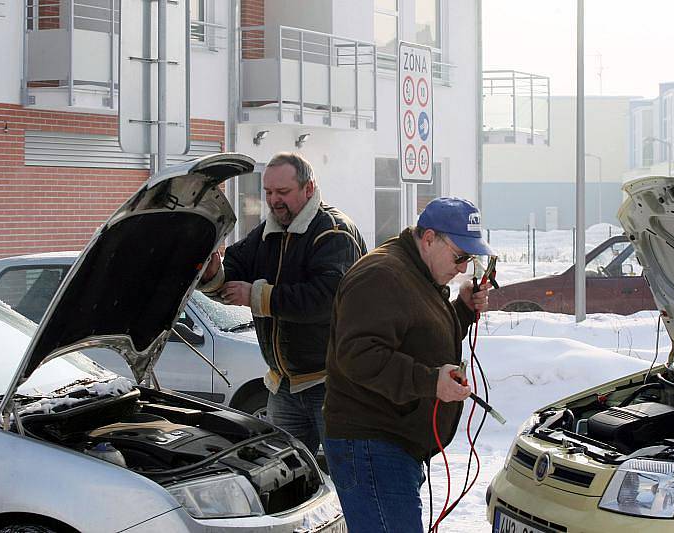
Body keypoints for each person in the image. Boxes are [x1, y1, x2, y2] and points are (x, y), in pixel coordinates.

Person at [323, 197, 492, 533]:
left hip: (393, 444)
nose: (462, 268)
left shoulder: (417, 271)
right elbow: (359, 355)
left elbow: (420, 335)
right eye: (460, 257)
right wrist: (431, 382)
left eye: (469, 259)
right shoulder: (382, 276)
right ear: (429, 238)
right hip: (372, 444)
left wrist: (461, 309)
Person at [200, 152, 366, 455]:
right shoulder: (268, 231)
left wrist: (258, 296)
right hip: (283, 386)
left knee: (347, 476)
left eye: (283, 192)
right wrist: (213, 272)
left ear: (309, 188)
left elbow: (325, 299)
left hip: (332, 387)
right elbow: (234, 268)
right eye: (268, 192)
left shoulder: (334, 232)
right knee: (289, 478)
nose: (274, 200)